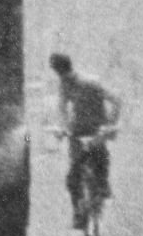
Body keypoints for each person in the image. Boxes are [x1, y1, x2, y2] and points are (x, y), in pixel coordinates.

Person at [50, 52, 122, 227]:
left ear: (59, 70)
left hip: (95, 130)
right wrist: (61, 128)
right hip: (79, 131)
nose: (61, 77)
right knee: (73, 177)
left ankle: (102, 188)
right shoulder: (64, 84)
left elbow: (116, 100)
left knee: (98, 161)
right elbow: (62, 108)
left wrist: (111, 124)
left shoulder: (91, 82)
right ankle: (78, 212)